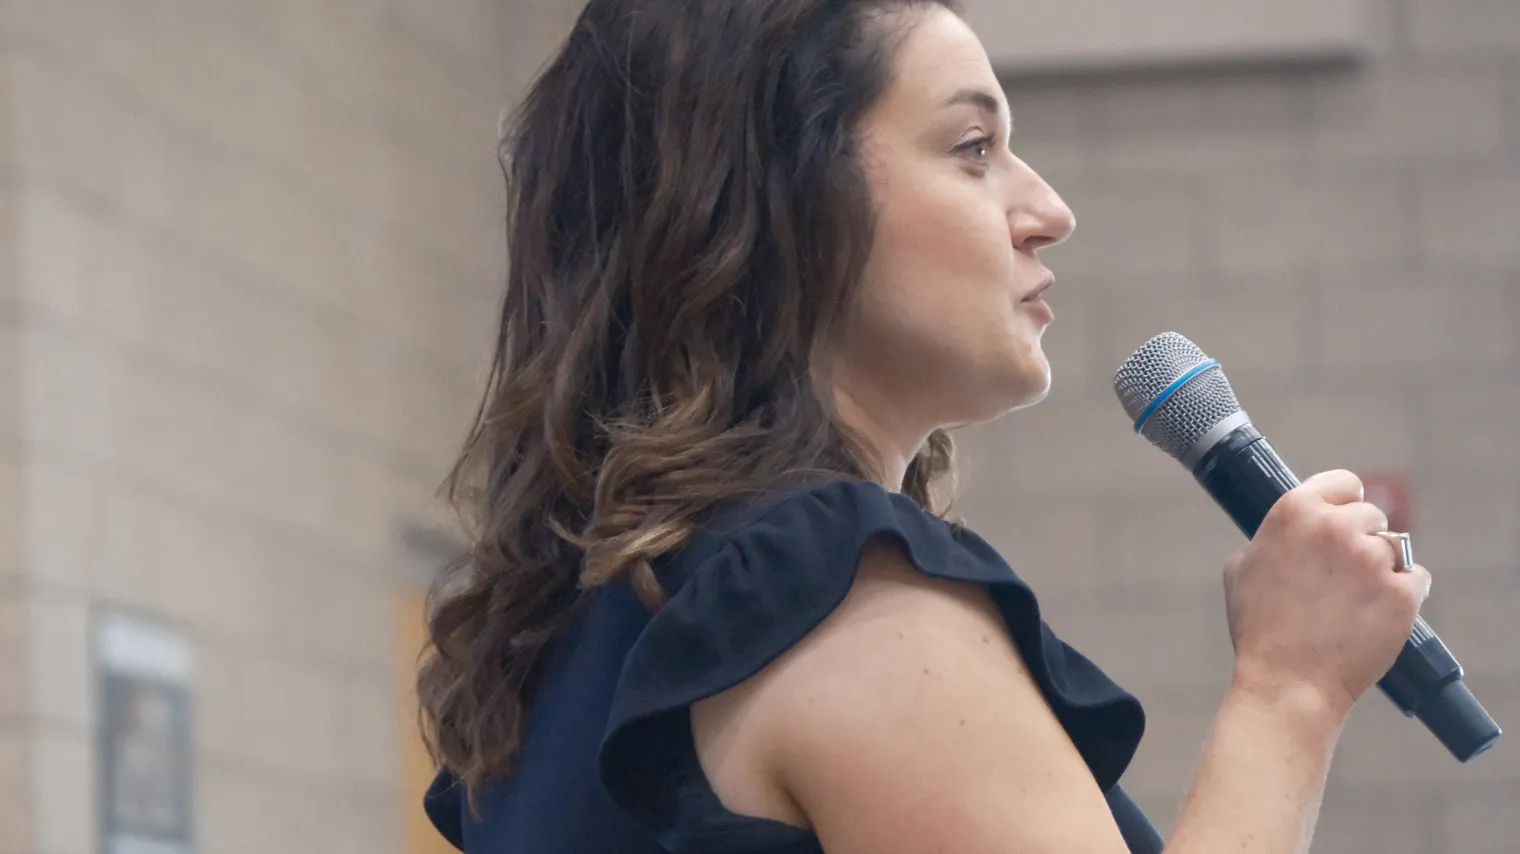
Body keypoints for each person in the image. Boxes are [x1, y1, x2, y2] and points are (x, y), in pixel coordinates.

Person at [415, 1, 1432, 852]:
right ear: (784, 199)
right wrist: (1285, 691)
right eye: (971, 148)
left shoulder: (579, 617)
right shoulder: (820, 596)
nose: (1047, 208)